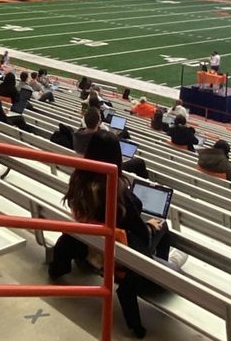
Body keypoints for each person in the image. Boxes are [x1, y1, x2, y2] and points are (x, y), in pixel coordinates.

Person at [49, 130, 174, 338]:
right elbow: (141, 234)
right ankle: (156, 272)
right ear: (116, 157)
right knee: (163, 227)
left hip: (87, 238)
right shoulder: (117, 190)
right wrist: (151, 225)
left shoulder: (78, 178)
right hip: (116, 252)